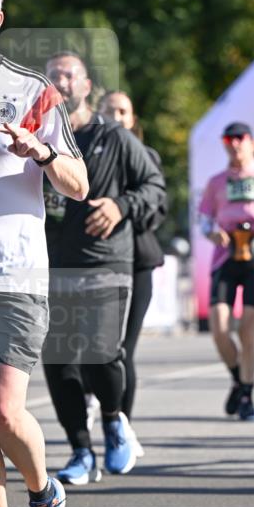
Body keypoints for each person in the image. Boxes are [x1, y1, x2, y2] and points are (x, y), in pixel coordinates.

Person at [0, 0, 88, 507]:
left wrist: (38, 151)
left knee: (3, 407)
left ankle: (45, 494)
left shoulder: (29, 88)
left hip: (14, 275)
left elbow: (78, 181)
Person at [42, 53, 165, 486]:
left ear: (86, 85)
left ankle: (114, 420)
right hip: (52, 266)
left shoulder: (114, 137)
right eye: (52, 75)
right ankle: (79, 450)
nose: (60, 81)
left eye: (67, 75)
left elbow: (154, 187)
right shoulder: (36, 137)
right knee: (58, 364)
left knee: (98, 354)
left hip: (106, 264)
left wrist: (120, 205)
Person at [95, 91, 167, 452]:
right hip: (94, 264)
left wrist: (122, 206)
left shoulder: (146, 158)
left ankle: (121, 428)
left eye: (123, 110)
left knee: (122, 350)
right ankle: (98, 418)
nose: (117, 116)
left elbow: (157, 211)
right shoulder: (85, 156)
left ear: (133, 118)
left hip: (137, 262)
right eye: (110, 110)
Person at [198, 122, 254, 420]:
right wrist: (212, 233)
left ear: (252, 142)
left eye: (239, 138)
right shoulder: (217, 181)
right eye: (228, 139)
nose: (234, 144)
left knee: (247, 329)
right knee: (219, 328)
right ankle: (238, 379)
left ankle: (247, 393)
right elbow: (204, 218)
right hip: (226, 255)